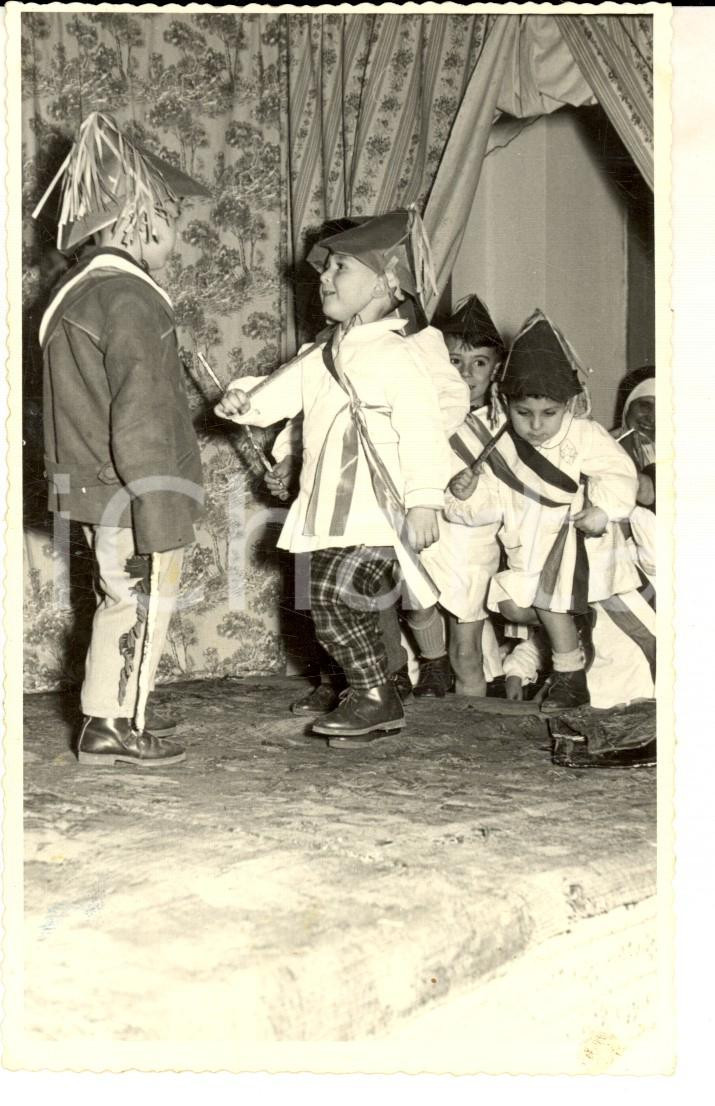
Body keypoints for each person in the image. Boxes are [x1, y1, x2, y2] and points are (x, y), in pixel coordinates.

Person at [216, 208, 454, 747]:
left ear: (387, 282)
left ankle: (375, 692)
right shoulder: (326, 350)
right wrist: (243, 401)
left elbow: (424, 430)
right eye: (324, 270)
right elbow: (277, 392)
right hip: (327, 505)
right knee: (324, 602)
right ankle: (374, 693)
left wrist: (424, 501)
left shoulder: (398, 354)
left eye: (340, 267)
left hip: (375, 507)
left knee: (332, 594)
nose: (324, 277)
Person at [35, 111, 209, 767]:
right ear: (139, 220)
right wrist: (160, 505)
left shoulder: (75, 297)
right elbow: (144, 417)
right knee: (141, 609)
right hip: (135, 494)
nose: (175, 235)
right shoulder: (135, 302)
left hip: (92, 490)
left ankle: (106, 715)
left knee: (117, 603)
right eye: (170, 219)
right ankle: (117, 724)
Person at [447, 309, 642, 714]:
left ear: (568, 405)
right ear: (506, 403)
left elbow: (620, 473)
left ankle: (570, 676)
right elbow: (490, 505)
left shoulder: (584, 435)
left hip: (571, 540)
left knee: (552, 601)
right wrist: (466, 495)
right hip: (525, 547)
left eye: (548, 414)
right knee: (513, 606)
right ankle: (573, 642)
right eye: (524, 414)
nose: (536, 425)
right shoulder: (501, 444)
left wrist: (603, 510)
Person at [409, 294, 508, 697]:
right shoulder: (423, 415)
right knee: (418, 610)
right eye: (455, 362)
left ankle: (472, 737)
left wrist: (471, 495)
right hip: (427, 533)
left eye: (478, 363)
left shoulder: (506, 425)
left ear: (494, 368)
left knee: (465, 654)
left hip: (472, 545)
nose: (466, 374)